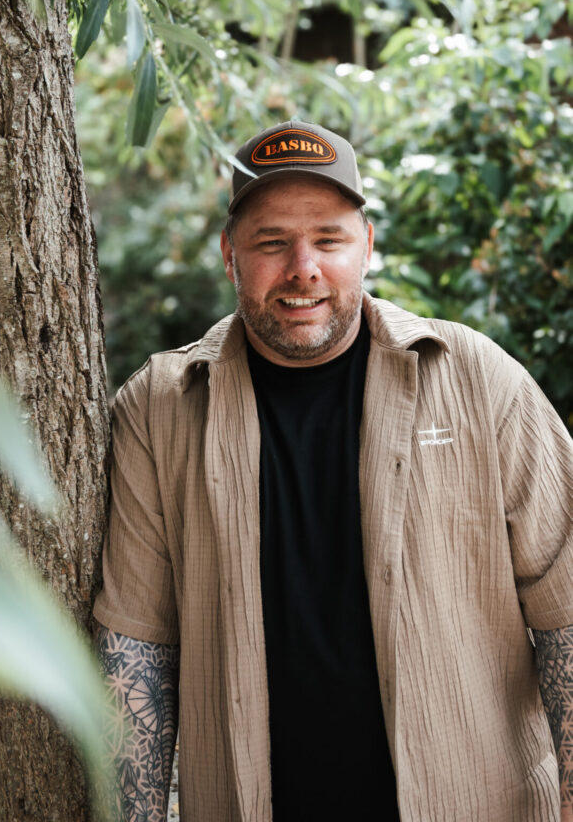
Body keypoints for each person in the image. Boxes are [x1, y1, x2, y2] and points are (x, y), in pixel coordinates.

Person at [93, 121, 573, 822]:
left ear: (367, 246)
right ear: (229, 255)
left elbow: (566, 613)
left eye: (328, 239)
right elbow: (135, 647)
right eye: (271, 242)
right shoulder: (158, 409)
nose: (303, 268)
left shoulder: (477, 380)